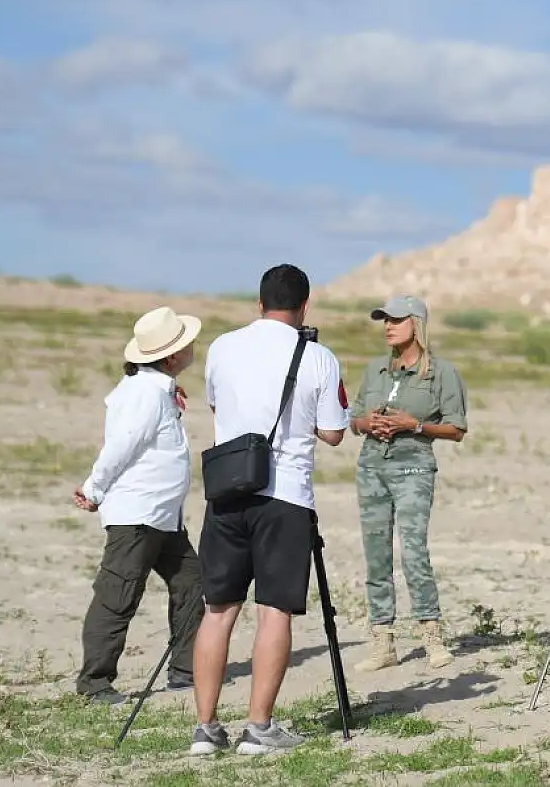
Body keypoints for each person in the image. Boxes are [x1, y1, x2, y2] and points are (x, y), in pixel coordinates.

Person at [189, 264, 351, 756]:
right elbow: (333, 432)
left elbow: (218, 409)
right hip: (285, 498)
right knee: (274, 612)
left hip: (227, 491)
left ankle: (205, 728)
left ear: (258, 304)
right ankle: (258, 728)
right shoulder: (318, 356)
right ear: (305, 306)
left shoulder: (222, 347)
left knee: (217, 611)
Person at [72, 306, 205, 705]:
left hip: (163, 517)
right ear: (170, 356)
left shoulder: (155, 389)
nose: (192, 348)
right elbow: (121, 446)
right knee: (119, 594)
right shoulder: (146, 394)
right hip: (139, 515)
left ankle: (185, 669)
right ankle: (94, 682)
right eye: (185, 343)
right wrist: (94, 488)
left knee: (192, 583)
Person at [347, 294, 468, 673]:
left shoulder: (441, 373)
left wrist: (412, 425)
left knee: (414, 551)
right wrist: (369, 423)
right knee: (377, 553)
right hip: (372, 467)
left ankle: (431, 636)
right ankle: (382, 641)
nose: (387, 326)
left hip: (413, 468)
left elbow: (456, 428)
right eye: (384, 319)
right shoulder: (374, 371)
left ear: (416, 323)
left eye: (396, 320)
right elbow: (353, 417)